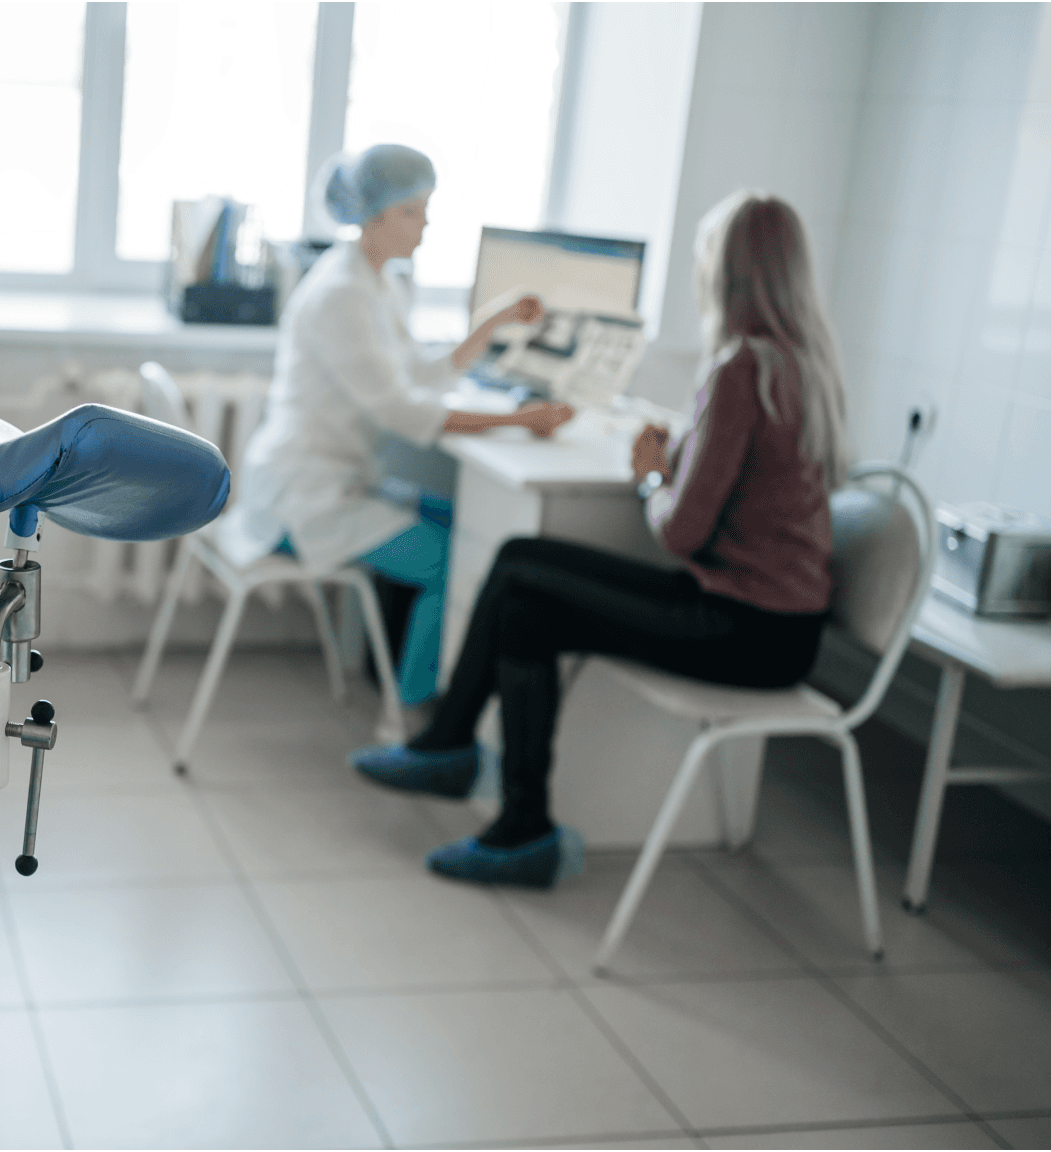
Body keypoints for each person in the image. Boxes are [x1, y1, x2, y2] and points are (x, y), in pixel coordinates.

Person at [350, 189, 851, 888]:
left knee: (524, 587)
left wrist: (652, 476)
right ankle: (469, 767)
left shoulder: (740, 368)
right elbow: (754, 488)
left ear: (725, 275)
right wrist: (684, 455)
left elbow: (681, 531)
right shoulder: (805, 366)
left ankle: (480, 780)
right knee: (522, 567)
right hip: (781, 627)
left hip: (740, 626)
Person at [215, 143, 574, 707]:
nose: (427, 224)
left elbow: (417, 373)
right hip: (304, 498)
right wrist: (519, 419)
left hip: (339, 479)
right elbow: (403, 411)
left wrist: (493, 322)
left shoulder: (376, 281)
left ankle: (420, 698)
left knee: (467, 524)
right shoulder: (340, 295)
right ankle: (413, 714)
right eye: (414, 210)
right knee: (455, 561)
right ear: (374, 215)